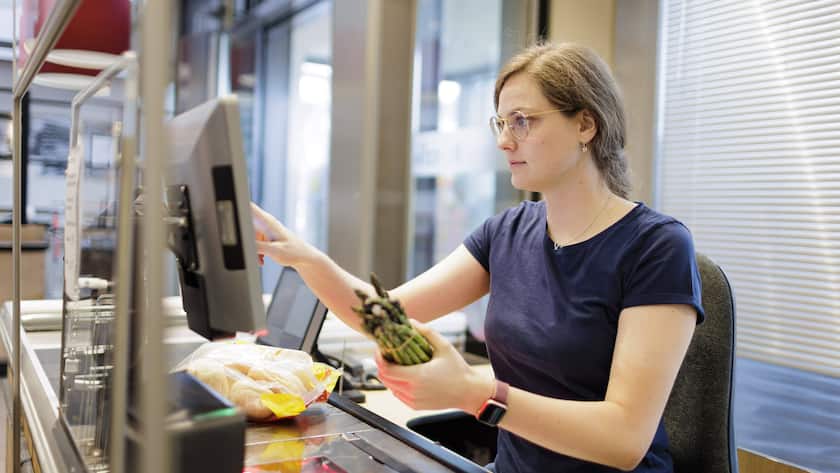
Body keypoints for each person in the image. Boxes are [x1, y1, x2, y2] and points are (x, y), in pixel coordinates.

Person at [252, 42, 702, 473]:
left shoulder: (656, 247)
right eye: (501, 124)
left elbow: (624, 440)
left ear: (586, 125)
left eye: (522, 121)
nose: (505, 141)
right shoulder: (506, 232)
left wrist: (476, 393)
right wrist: (303, 257)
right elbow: (387, 316)